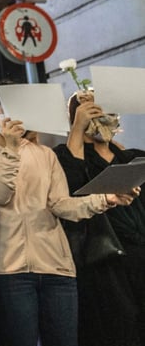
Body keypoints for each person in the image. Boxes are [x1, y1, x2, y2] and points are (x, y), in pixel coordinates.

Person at [0, 82, 139, 346]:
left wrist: (105, 199)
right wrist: (10, 150)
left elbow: (61, 205)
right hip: (10, 270)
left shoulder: (44, 154)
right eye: (9, 109)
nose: (18, 116)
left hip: (58, 269)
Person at [53, 91, 145, 346]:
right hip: (102, 256)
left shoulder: (132, 156)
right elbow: (69, 192)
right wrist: (78, 129)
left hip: (139, 251)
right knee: (117, 328)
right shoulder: (67, 156)